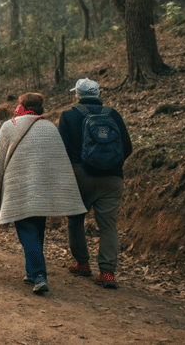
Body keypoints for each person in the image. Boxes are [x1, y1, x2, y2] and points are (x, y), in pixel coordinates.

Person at [0, 92, 86, 294]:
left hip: (18, 189)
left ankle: (39, 274)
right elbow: (59, 161)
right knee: (36, 229)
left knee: (27, 232)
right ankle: (31, 272)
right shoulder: (50, 127)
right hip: (43, 190)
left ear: (22, 107)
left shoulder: (9, 126)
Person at [58, 78, 133, 289]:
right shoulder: (113, 114)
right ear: (98, 94)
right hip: (112, 178)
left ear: (78, 95)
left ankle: (82, 264)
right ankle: (107, 273)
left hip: (80, 176)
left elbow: (61, 150)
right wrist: (109, 165)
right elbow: (127, 147)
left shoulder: (69, 115)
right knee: (108, 226)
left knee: (75, 220)